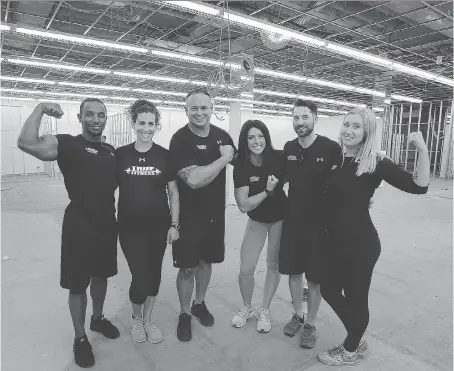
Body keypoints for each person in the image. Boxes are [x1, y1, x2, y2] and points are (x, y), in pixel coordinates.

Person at [318, 108, 429, 366]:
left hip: (361, 244)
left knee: (356, 298)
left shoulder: (375, 163)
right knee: (330, 290)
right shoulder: (335, 157)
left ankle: (349, 350)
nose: (349, 130)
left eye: (356, 126)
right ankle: (357, 337)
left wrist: (422, 150)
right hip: (334, 242)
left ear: (367, 131)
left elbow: (418, 186)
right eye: (346, 125)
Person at [17, 99, 120, 368]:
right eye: (90, 115)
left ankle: (97, 319)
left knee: (102, 275)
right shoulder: (67, 143)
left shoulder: (111, 150)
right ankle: (80, 338)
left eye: (101, 115)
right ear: (80, 117)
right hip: (79, 225)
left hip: (107, 223)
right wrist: (40, 109)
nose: (96, 119)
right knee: (78, 284)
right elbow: (26, 143)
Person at [169, 88, 236, 342]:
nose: (199, 113)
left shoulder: (222, 135)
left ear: (212, 108)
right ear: (186, 110)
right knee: (187, 268)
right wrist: (223, 160)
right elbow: (194, 180)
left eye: (204, 107)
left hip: (214, 215)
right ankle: (185, 313)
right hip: (187, 217)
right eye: (194, 108)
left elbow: (247, 164)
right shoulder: (180, 140)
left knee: (205, 262)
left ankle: (199, 303)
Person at [115, 100, 180, 344]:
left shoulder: (165, 156)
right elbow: (106, 188)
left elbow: (173, 192)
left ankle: (148, 320)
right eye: (141, 122)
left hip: (158, 227)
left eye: (151, 123)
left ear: (157, 125)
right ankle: (135, 317)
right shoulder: (120, 155)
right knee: (140, 276)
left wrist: (174, 225)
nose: (146, 128)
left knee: (154, 275)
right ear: (133, 124)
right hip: (130, 228)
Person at [279, 99, 341, 348]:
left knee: (314, 278)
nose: (300, 122)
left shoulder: (331, 148)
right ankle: (297, 314)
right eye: (295, 117)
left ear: (315, 118)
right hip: (293, 222)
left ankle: (311, 323)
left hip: (319, 225)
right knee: (294, 273)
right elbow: (277, 177)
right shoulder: (288, 148)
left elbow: (343, 183)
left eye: (305, 117)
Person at [231, 120, 287, 333]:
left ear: (267, 137)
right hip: (256, 220)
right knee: (246, 268)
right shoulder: (242, 167)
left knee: (273, 266)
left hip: (280, 219)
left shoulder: (279, 158)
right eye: (251, 137)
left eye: (260, 135)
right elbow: (243, 205)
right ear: (245, 141)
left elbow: (308, 167)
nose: (257, 141)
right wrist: (268, 190)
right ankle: (247, 307)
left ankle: (265, 309)